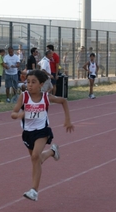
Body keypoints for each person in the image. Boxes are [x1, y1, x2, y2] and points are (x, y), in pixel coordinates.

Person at [10, 69, 74, 201]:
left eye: (33, 82)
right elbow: (13, 113)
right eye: (28, 82)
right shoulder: (24, 97)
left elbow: (63, 101)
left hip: (42, 131)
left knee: (35, 157)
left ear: (41, 84)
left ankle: (34, 190)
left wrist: (67, 120)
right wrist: (19, 115)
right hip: (28, 133)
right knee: (37, 160)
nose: (30, 85)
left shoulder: (45, 97)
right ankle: (52, 152)